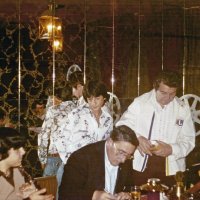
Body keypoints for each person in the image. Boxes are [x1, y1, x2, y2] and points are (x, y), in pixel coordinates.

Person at [116, 70, 195, 186]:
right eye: (163, 93)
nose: (168, 98)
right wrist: (137, 139)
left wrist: (171, 149)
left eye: (172, 93)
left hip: (172, 169)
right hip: (141, 167)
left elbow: (189, 140)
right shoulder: (140, 103)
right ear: (155, 88)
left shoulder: (182, 108)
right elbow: (121, 126)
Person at [59, 125, 139, 200]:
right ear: (110, 142)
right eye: (121, 152)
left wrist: (127, 194)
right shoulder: (81, 158)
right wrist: (93, 195)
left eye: (128, 155)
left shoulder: (127, 158)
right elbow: (65, 195)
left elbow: (129, 186)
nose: (123, 160)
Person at [59, 80, 113, 164]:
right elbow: (60, 138)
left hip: (95, 166)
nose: (93, 103)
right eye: (90, 99)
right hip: (76, 165)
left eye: (97, 98)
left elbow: (107, 144)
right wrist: (69, 161)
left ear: (104, 98)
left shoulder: (108, 119)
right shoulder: (76, 114)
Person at [38, 85, 76, 194]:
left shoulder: (53, 111)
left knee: (47, 192)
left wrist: (42, 159)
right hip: (71, 158)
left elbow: (43, 136)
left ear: (57, 97)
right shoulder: (78, 110)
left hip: (54, 156)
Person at [0, 127, 54, 200]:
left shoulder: (20, 170)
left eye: (22, 147)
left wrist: (31, 193)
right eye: (17, 149)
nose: (23, 152)